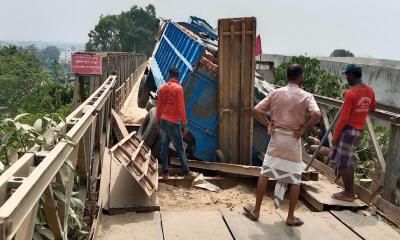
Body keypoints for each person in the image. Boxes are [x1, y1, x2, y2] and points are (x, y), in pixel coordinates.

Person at [243, 64, 321, 226]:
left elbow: (257, 109)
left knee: (265, 173)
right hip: (293, 139)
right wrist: (304, 128)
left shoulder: (276, 92)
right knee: (294, 179)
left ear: (288, 76)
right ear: (300, 77)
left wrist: (268, 124)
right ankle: (290, 217)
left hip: (277, 137)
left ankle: (256, 210)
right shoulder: (306, 96)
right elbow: (317, 114)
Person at [331, 64, 376, 202]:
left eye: (347, 75)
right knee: (348, 161)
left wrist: (335, 136)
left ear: (351, 75)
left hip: (348, 130)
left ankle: (348, 193)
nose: (346, 78)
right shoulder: (369, 90)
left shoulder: (351, 94)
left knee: (344, 162)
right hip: (358, 130)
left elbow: (343, 118)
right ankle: (349, 191)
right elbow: (372, 106)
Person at [156, 67, 197, 180]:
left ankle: (165, 173)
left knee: (164, 147)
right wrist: (185, 124)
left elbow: (158, 107)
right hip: (173, 122)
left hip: (164, 121)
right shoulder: (178, 89)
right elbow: (181, 108)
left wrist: (158, 122)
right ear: (178, 76)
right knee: (179, 147)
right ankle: (186, 171)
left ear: (169, 75)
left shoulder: (162, 88)